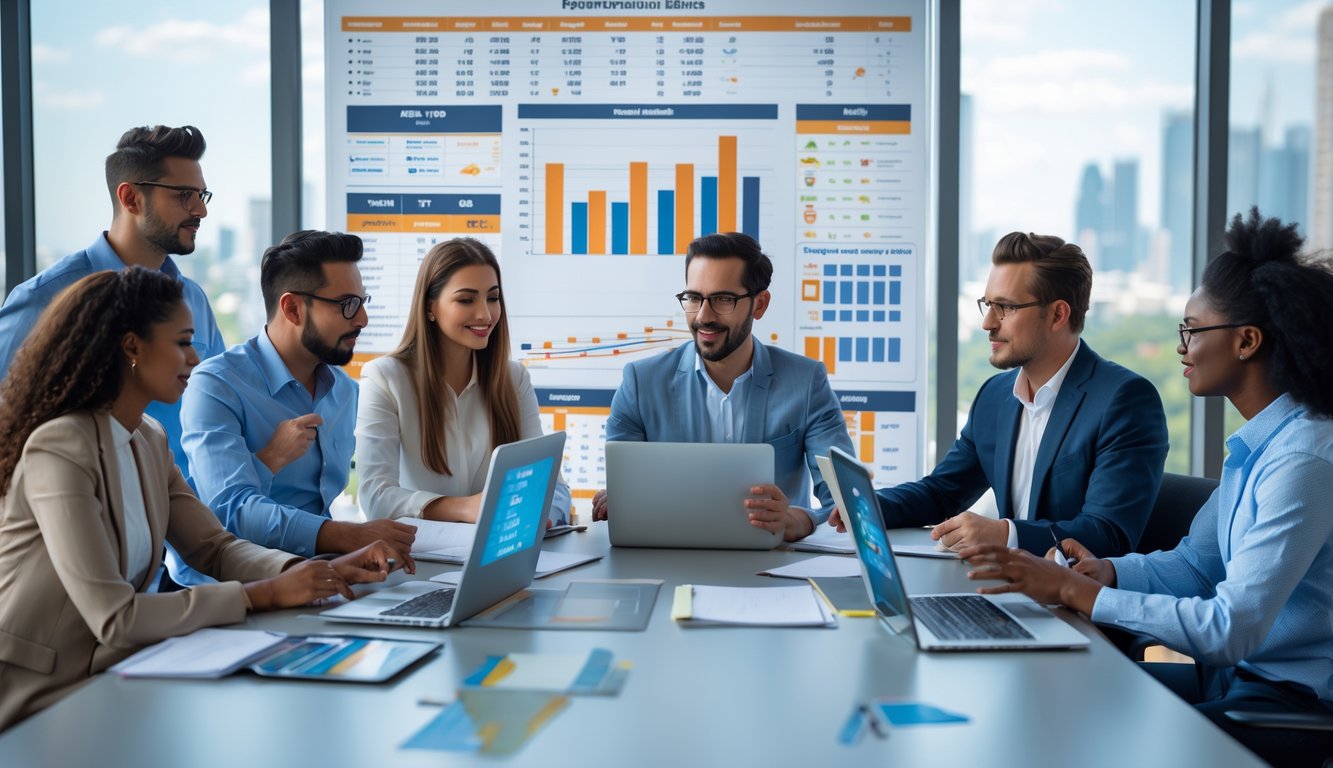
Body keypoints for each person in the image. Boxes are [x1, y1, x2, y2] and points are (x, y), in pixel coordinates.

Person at [961, 210, 1333, 767]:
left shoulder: (1302, 459)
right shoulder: (1259, 446)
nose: (1181, 347)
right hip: (1231, 682)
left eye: (1192, 329)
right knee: (1064, 703)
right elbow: (1194, 564)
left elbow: (1231, 628)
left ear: (1246, 341)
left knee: (1106, 747)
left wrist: (1078, 593)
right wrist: (1107, 572)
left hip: (1288, 703)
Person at [0, 268, 409, 732]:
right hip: (40, 698)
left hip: (115, 680)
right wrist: (265, 594)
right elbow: (115, 618)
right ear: (132, 347)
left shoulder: (147, 439)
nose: (195, 358)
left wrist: (310, 573)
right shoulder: (61, 445)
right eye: (182, 342)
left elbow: (214, 547)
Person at [834, 231, 1168, 557]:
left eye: (1005, 307)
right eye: (988, 304)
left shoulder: (1124, 400)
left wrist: (1006, 534)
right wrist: (864, 503)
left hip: (1076, 604)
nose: (988, 323)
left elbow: (1108, 534)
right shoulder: (995, 396)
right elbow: (941, 493)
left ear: (1057, 314)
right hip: (1003, 587)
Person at [180, 230, 415, 570]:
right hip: (232, 587)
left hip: (324, 573)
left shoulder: (345, 392)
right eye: (348, 305)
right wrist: (348, 536)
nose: (362, 320)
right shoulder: (215, 385)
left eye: (363, 303)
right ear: (291, 308)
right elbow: (230, 511)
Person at [595, 232, 854, 541]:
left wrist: (801, 520)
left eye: (722, 300)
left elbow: (845, 501)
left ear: (759, 304)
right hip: (668, 563)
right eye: (693, 298)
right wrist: (619, 501)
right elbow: (626, 493)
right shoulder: (640, 382)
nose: (703, 316)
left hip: (772, 570)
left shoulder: (806, 382)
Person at [0, 125, 224, 480]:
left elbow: (216, 416)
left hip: (183, 518)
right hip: (78, 513)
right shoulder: (44, 299)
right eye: (184, 195)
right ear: (131, 198)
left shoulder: (193, 299)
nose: (201, 210)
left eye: (202, 194)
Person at [355, 238, 571, 523]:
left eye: (492, 298)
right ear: (430, 307)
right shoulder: (384, 378)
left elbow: (554, 487)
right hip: (417, 559)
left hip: (500, 552)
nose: (485, 314)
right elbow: (375, 497)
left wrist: (545, 518)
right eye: (466, 299)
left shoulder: (513, 378)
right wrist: (467, 508)